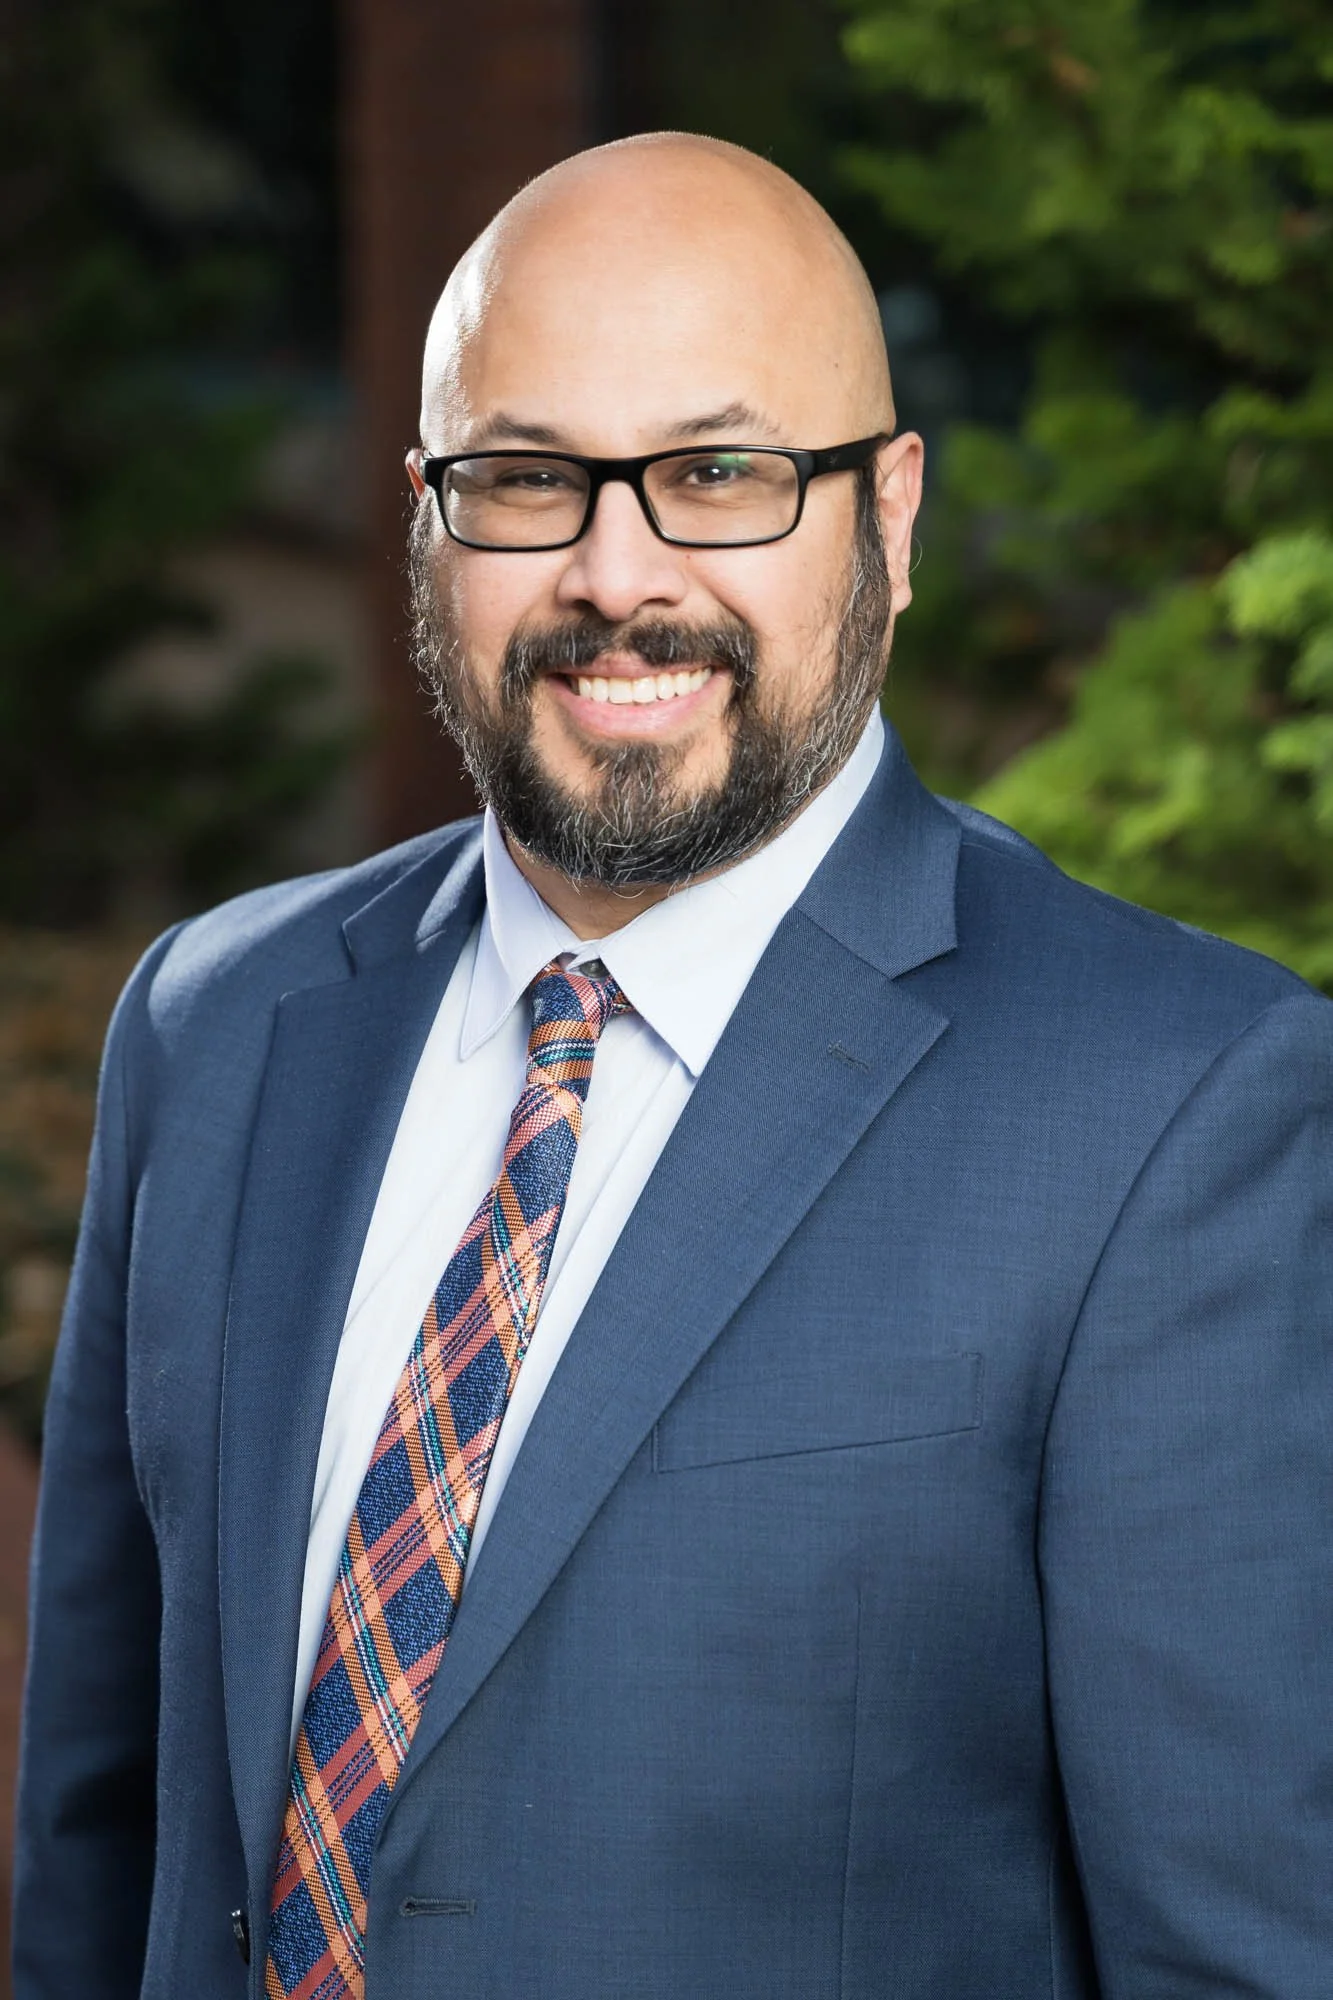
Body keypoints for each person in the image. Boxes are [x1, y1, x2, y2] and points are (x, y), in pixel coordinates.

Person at [13, 132, 1333, 2000]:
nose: (615, 575)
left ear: (889, 512)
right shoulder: (214, 1024)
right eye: (529, 476)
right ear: (425, 514)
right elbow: (103, 1840)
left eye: (718, 474)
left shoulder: (1176, 1110)